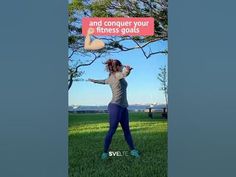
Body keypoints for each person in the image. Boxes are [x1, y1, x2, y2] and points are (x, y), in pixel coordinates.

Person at [88, 59, 140, 160]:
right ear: (118, 66)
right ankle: (105, 153)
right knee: (112, 130)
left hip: (124, 107)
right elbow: (123, 74)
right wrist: (128, 70)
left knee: (127, 130)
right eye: (121, 65)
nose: (122, 67)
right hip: (115, 107)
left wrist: (94, 81)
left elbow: (104, 81)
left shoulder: (115, 76)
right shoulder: (116, 75)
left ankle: (133, 150)